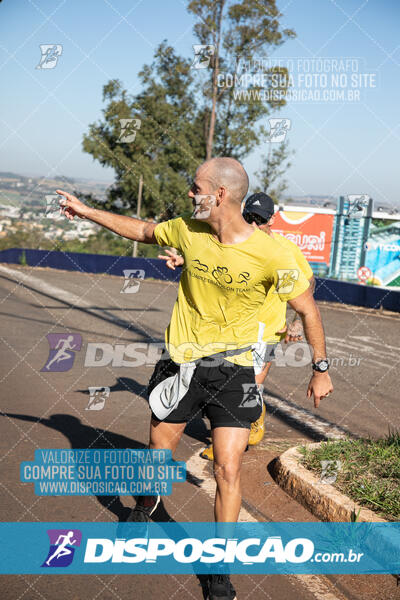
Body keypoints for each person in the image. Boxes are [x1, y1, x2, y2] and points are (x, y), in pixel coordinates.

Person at [57, 157, 333, 600]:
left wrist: (320, 368)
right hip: (180, 365)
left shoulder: (275, 253)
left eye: (195, 187)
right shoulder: (188, 230)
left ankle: (219, 566)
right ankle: (146, 507)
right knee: (158, 452)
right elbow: (143, 230)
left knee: (228, 467)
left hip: (236, 371)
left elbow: (308, 308)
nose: (190, 194)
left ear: (219, 194)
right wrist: (87, 211)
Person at [159, 192, 315, 460]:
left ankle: (242, 434)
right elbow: (218, 261)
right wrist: (184, 260)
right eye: (250, 218)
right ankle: (234, 433)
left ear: (272, 220)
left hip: (267, 330)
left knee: (248, 386)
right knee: (228, 386)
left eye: (261, 220)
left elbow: (308, 284)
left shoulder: (285, 251)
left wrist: (295, 324)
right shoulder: (236, 241)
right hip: (233, 332)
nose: (254, 225)